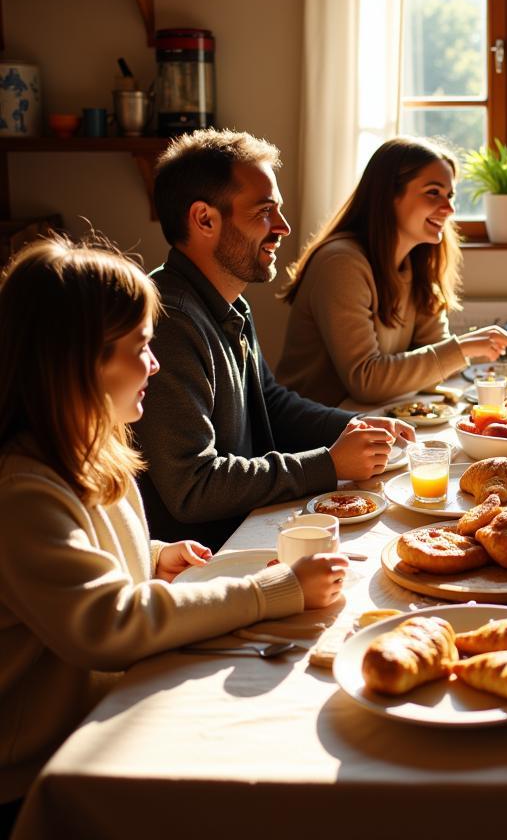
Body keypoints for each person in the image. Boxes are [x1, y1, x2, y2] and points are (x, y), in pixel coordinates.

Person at [0, 237, 348, 835]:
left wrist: (154, 556)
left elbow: (97, 556)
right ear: (78, 362)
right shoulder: (21, 493)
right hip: (43, 772)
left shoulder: (89, 452)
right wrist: (273, 589)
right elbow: (107, 624)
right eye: (140, 348)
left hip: (107, 716)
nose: (154, 365)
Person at [134, 129, 413, 551]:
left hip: (250, 525)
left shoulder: (229, 305)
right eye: (264, 211)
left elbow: (271, 404)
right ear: (205, 219)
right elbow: (192, 486)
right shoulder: (169, 322)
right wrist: (328, 464)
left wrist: (354, 427)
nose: (283, 227)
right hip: (208, 559)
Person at [276, 136, 507, 406]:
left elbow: (432, 374)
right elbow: (366, 382)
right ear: (388, 195)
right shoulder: (341, 263)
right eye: (433, 192)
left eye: (450, 195)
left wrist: (455, 352)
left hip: (369, 419)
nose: (449, 208)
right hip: (316, 430)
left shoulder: (417, 262)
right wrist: (462, 348)